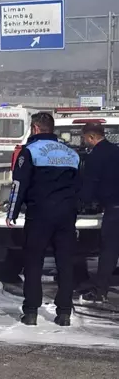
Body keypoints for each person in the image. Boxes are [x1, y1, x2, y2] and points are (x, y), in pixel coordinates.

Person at [6, 112, 79, 326]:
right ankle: (64, 312)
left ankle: (31, 312)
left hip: (40, 214)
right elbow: (78, 186)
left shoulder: (29, 152)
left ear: (36, 128)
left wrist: (12, 212)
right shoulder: (71, 153)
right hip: (66, 215)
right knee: (65, 263)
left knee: (33, 263)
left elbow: (19, 184)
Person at [78, 122, 119, 303]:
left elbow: (90, 183)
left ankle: (100, 291)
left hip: (114, 208)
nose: (84, 142)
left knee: (109, 251)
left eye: (85, 138)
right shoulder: (116, 151)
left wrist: (82, 203)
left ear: (91, 137)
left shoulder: (95, 156)